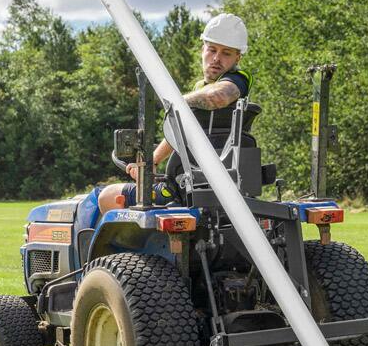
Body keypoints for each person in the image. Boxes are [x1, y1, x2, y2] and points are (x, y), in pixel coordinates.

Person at [98, 13, 252, 213]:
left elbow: (219, 96)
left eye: (226, 53)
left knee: (105, 197)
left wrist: (173, 102)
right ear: (202, 49)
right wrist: (152, 160)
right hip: (190, 185)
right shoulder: (200, 90)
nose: (216, 58)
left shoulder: (238, 79)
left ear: (238, 57)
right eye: (212, 49)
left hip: (183, 190)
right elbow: (182, 130)